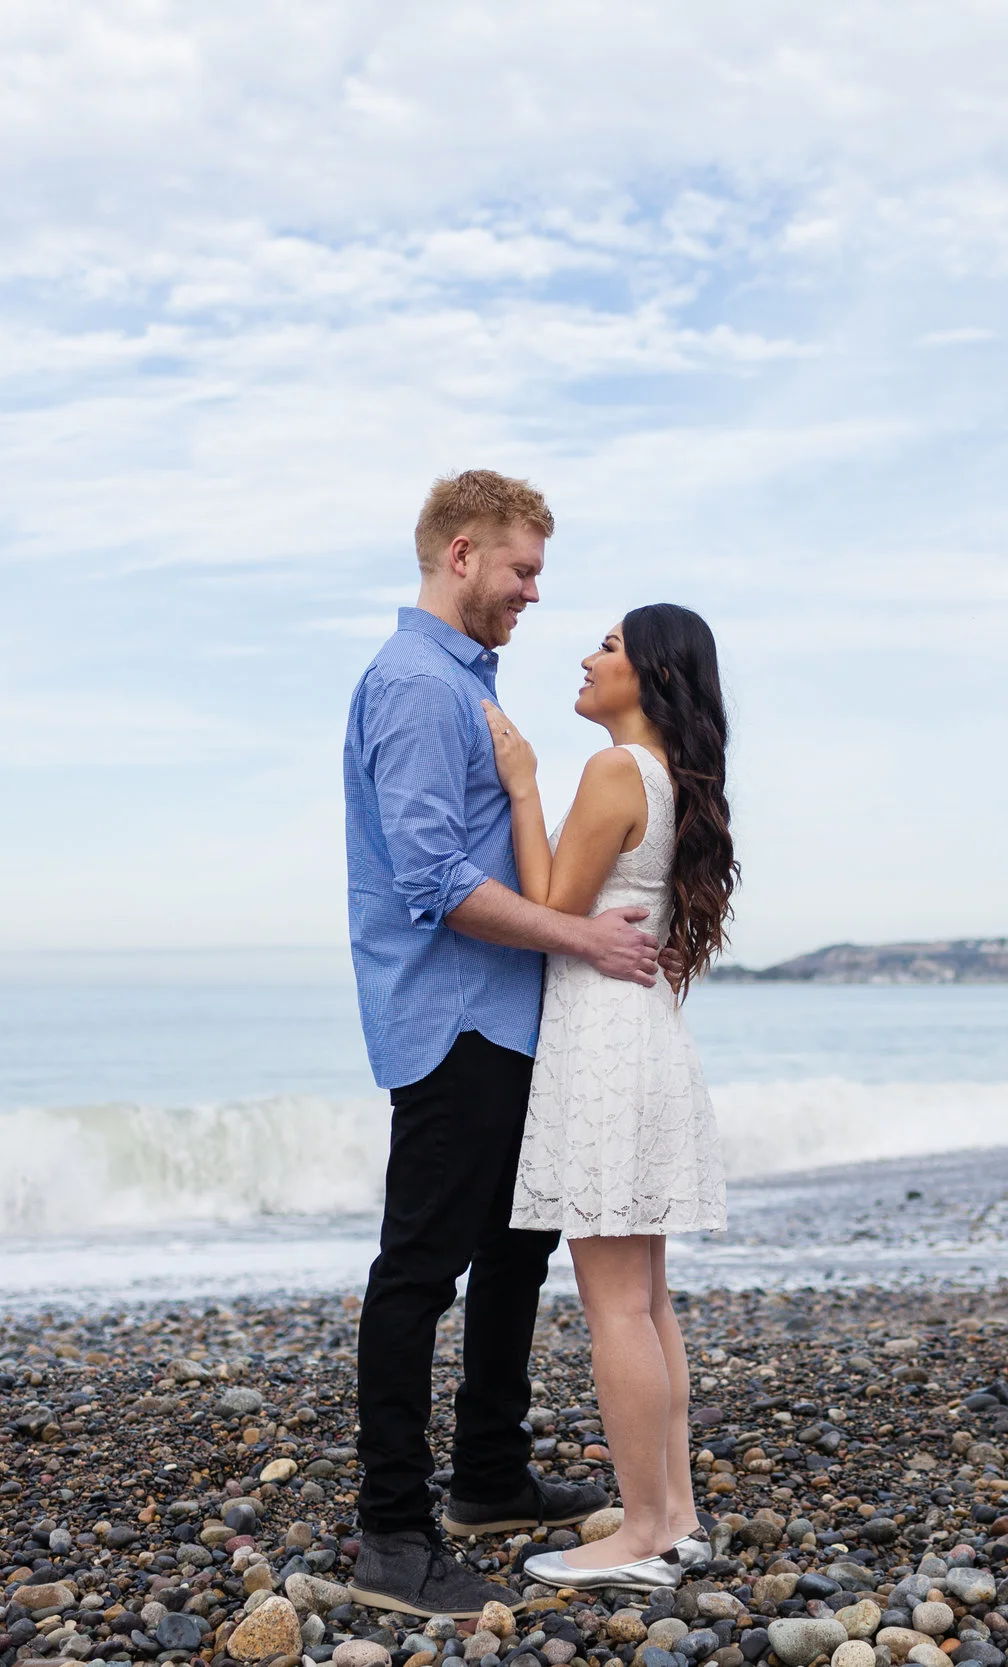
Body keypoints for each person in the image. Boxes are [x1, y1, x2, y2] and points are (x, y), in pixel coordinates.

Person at [341, 470, 667, 1620]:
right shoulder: (416, 684)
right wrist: (580, 936)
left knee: (516, 1251)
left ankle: (488, 1474)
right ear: (462, 554)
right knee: (419, 1269)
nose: (533, 591)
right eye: (522, 569)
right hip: (453, 1017)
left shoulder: (462, 680)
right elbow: (434, 879)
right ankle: (392, 1535)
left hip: (511, 1015)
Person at [476, 602, 739, 1593]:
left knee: (617, 1304)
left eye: (611, 646)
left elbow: (549, 907)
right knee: (646, 1298)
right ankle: (675, 1518)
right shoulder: (672, 778)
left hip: (605, 1050)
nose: (589, 658)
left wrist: (522, 784)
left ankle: (640, 1533)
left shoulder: (615, 769)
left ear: (653, 674)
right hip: (646, 1042)